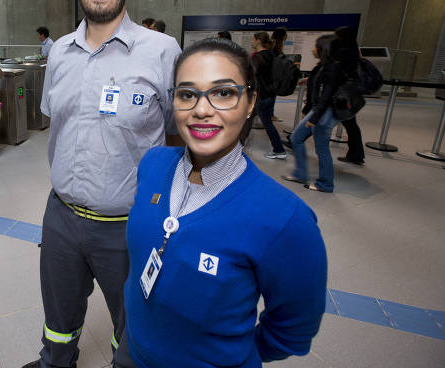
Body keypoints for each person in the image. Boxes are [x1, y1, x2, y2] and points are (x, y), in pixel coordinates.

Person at [113, 37, 327, 368]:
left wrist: (223, 356)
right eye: (187, 94)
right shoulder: (154, 164)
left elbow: (291, 331)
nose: (201, 110)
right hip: (132, 354)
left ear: (251, 101)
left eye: (223, 93)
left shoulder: (284, 219)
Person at [23, 0, 182, 368]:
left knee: (132, 324)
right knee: (58, 314)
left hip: (128, 226)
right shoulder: (59, 54)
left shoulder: (162, 52)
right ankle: (56, 362)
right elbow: (56, 122)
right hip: (61, 217)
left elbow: (178, 136)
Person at [283, 34, 342, 192]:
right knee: (296, 138)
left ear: (324, 49)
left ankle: (326, 183)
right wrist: (308, 81)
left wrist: (314, 118)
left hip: (323, 113)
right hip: (319, 111)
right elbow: (321, 84)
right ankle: (300, 174)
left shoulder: (332, 68)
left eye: (317, 46)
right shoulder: (324, 66)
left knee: (321, 148)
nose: (313, 49)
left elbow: (327, 94)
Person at [251, 32, 286, 159]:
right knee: (247, 120)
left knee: (264, 122)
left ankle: (279, 149)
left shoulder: (258, 57)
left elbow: (251, 76)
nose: (252, 42)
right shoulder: (271, 55)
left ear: (258, 41)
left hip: (260, 95)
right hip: (269, 94)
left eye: (253, 39)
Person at [333, 26, 364, 165]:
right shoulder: (354, 53)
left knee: (318, 118)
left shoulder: (344, 54)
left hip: (341, 96)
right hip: (349, 95)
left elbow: (337, 74)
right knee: (352, 125)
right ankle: (356, 154)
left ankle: (296, 140)